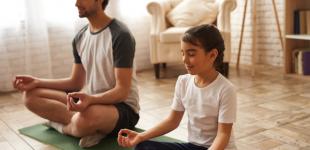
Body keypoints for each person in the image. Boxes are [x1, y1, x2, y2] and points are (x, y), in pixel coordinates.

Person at [12, 0, 140, 148]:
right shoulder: (80, 37)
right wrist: (37, 82)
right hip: (91, 102)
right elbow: (75, 82)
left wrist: (90, 100)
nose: (76, 3)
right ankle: (84, 126)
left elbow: (122, 92)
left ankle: (61, 126)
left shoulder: (121, 35)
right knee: (30, 96)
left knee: (87, 116)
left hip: (122, 108)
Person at [117, 24, 237, 150]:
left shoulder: (226, 89)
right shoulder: (183, 82)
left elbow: (223, 135)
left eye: (191, 54)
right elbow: (172, 121)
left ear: (212, 55)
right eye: (183, 53)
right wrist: (141, 136)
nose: (184, 59)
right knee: (143, 146)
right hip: (193, 147)